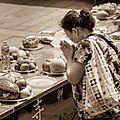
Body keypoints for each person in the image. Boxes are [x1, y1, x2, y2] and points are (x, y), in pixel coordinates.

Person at [59, 9, 120, 120]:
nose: (70, 39)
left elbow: (73, 78)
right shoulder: (103, 37)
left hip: (100, 111)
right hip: (115, 100)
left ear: (75, 31)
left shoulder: (85, 46)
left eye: (69, 36)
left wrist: (69, 58)